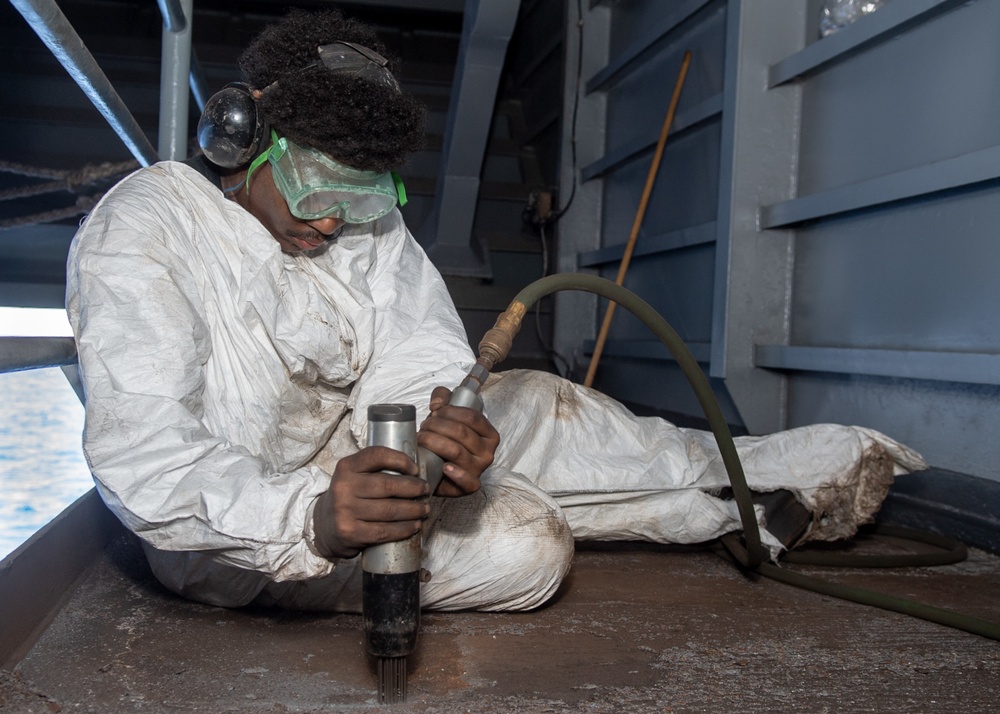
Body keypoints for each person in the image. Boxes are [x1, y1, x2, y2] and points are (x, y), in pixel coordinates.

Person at [66, 8, 925, 613]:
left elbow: (414, 353)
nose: (331, 222)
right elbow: (144, 451)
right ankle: (718, 507)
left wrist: (451, 421)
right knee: (527, 546)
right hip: (235, 527)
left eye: (357, 203)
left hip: (363, 458)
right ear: (243, 141)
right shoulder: (146, 227)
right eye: (315, 189)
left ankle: (751, 484)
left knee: (540, 405)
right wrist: (312, 519)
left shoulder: (366, 229)